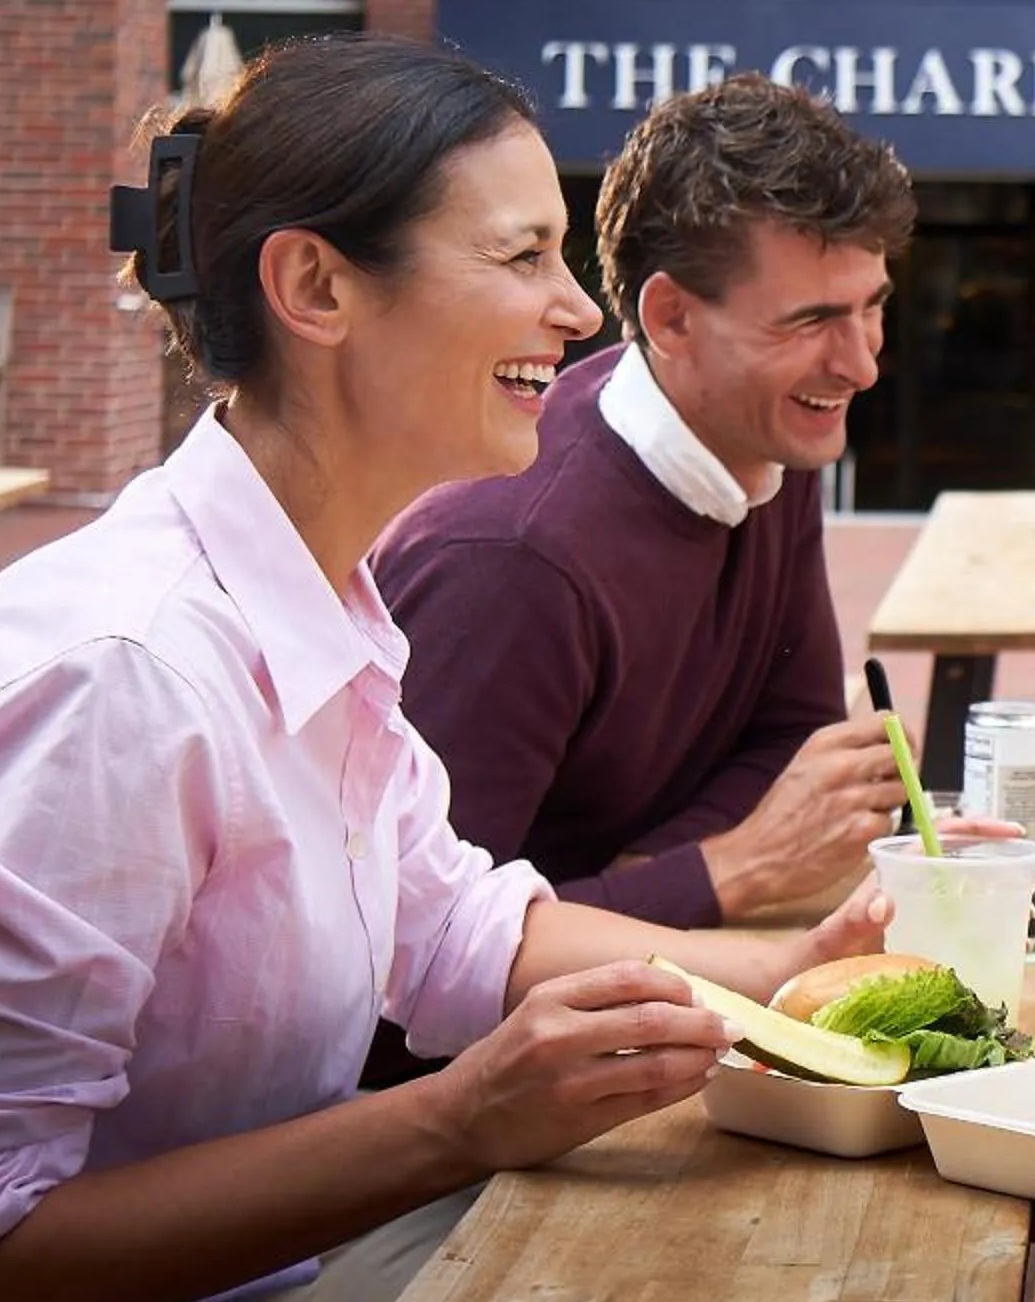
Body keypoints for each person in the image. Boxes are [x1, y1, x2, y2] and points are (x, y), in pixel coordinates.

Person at [0, 37, 891, 1302]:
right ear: (316, 287)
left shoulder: (316, 591)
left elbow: (456, 916)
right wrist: (457, 1121)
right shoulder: (119, 678)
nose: (579, 312)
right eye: (523, 257)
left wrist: (788, 967)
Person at [374, 75, 914, 934]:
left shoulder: (770, 434)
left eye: (871, 309)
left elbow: (790, 738)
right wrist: (727, 870)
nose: (861, 365)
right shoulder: (510, 562)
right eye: (810, 321)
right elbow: (408, 964)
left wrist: (654, 873)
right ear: (669, 318)